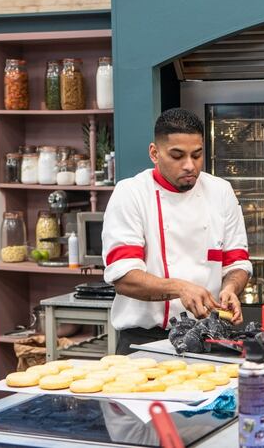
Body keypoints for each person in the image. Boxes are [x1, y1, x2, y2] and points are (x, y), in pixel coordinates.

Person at [102, 108, 252, 354]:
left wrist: (230, 289)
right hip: (144, 340)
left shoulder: (220, 191)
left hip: (209, 335)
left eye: (197, 155)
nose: (189, 165)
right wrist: (180, 288)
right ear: (154, 153)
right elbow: (124, 277)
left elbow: (238, 263)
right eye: (177, 155)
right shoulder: (131, 194)